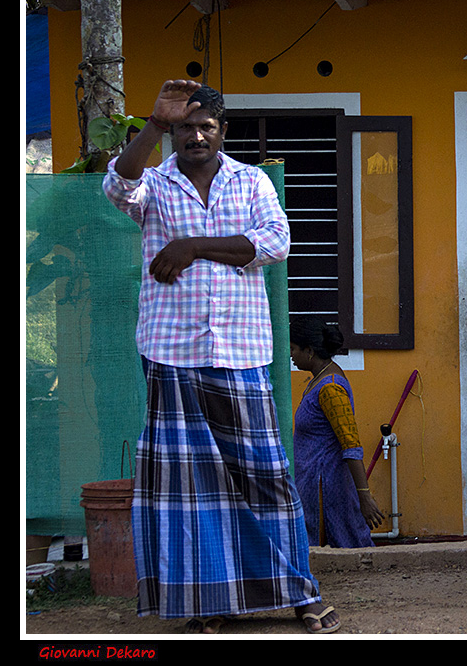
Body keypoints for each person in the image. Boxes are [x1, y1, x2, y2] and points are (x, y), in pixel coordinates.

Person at [102, 80, 340, 634]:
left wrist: (193, 246)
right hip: (170, 354)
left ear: (222, 131)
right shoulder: (154, 184)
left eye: (205, 126)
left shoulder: (251, 181)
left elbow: (275, 243)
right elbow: (118, 187)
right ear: (174, 133)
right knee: (188, 490)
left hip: (241, 354)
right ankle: (206, 604)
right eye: (184, 127)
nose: (195, 135)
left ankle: (299, 593)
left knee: (266, 479)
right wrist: (153, 125)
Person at [290, 317, 385, 548]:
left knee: (347, 548)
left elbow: (350, 444)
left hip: (326, 487)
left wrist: (364, 496)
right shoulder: (318, 380)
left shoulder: (331, 388)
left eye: (293, 349)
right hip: (313, 483)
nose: (291, 355)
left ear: (309, 350)